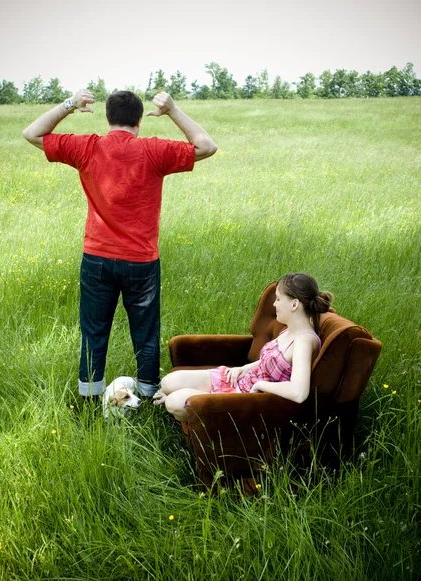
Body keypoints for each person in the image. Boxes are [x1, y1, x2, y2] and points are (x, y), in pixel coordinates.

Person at [22, 88, 217, 401]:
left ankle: (89, 399)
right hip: (142, 262)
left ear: (108, 117)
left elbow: (31, 133)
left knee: (93, 333)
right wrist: (172, 110)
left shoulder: (87, 146)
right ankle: (149, 396)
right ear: (139, 121)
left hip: (97, 258)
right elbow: (207, 146)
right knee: (146, 335)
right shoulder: (154, 150)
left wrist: (71, 104)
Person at [153, 273, 333, 421]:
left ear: (294, 304)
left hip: (246, 397)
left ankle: (193, 398)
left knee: (174, 402)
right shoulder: (290, 330)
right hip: (243, 380)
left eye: (278, 299)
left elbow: (299, 392)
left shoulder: (303, 341)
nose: (274, 304)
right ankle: (193, 394)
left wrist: (261, 384)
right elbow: (275, 362)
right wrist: (244, 368)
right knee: (168, 382)